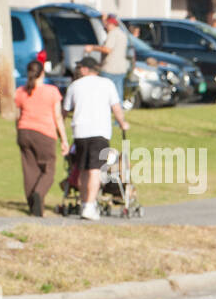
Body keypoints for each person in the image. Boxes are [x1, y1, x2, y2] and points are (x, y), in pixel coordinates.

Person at [63, 56, 129, 221]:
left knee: (83, 169)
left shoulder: (74, 86)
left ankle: (86, 203)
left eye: (80, 68)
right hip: (99, 131)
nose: (78, 71)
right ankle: (89, 205)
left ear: (86, 69)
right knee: (94, 170)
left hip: (79, 131)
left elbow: (64, 111)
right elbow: (116, 107)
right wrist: (122, 123)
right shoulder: (107, 84)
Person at [14, 60, 68, 217]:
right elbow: (57, 117)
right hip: (44, 133)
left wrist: (19, 131)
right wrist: (64, 139)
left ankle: (34, 206)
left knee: (29, 169)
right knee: (48, 168)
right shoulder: (52, 92)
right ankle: (39, 193)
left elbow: (17, 117)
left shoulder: (21, 91)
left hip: (24, 131)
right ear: (43, 73)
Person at [91, 14, 130, 99]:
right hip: (121, 68)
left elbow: (107, 49)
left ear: (111, 24)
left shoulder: (113, 33)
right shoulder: (122, 33)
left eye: (106, 24)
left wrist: (92, 48)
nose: (105, 26)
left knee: (105, 92)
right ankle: (118, 110)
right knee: (118, 92)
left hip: (110, 69)